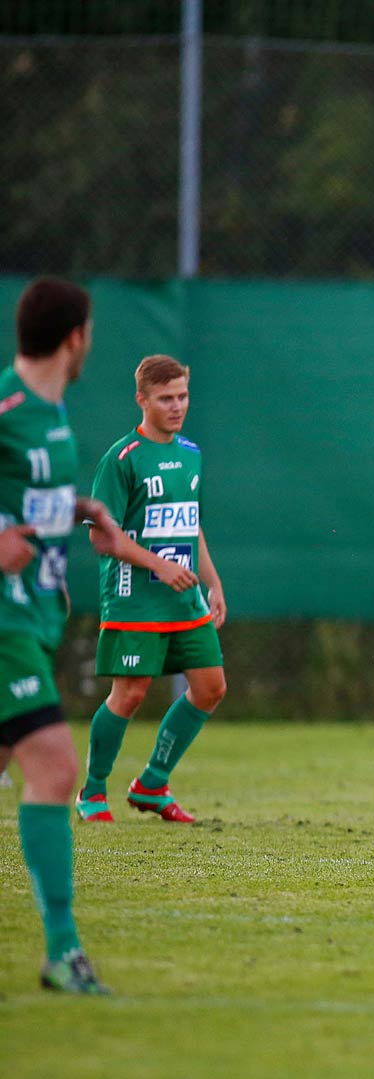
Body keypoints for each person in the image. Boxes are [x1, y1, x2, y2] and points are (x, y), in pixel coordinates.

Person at [2, 277, 135, 994]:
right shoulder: (10, 407)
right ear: (76, 336)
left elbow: (30, 498)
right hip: (3, 622)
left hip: (32, 614)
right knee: (55, 768)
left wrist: (83, 510)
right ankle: (62, 952)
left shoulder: (52, 413)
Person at [78, 355, 227, 823]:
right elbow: (101, 534)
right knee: (132, 693)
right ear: (141, 400)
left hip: (185, 595)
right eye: (166, 398)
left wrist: (213, 581)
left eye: (182, 395)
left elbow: (191, 525)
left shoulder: (191, 453)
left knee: (210, 687)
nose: (177, 405)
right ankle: (93, 792)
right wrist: (157, 565)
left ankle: (152, 783)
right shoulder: (122, 459)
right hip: (134, 595)